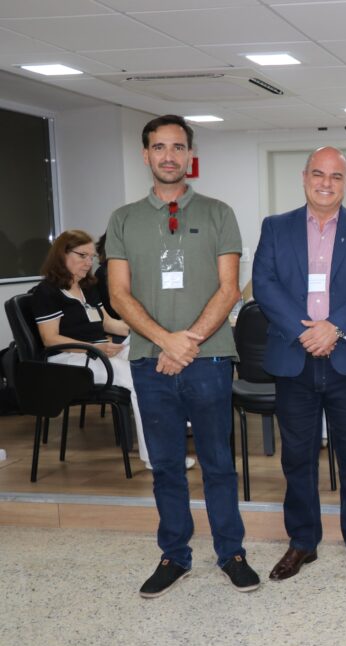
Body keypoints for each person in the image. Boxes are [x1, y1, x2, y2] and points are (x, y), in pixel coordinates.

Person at [106, 114, 259, 598]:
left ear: (190, 156)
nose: (169, 156)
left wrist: (185, 340)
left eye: (177, 147)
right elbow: (119, 295)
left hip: (209, 360)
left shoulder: (218, 213)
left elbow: (229, 288)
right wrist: (164, 341)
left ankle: (231, 553)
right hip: (150, 364)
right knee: (167, 466)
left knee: (217, 463)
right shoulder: (123, 219)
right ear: (146, 155)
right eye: (159, 147)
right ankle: (175, 554)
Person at [253, 146, 346, 582]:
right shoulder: (276, 227)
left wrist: (334, 328)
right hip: (294, 356)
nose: (326, 183)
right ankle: (302, 543)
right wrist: (305, 332)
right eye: (318, 174)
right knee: (298, 457)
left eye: (336, 176)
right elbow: (264, 283)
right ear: (304, 176)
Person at [31, 230, 197, 471]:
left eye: (92, 256)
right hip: (67, 360)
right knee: (139, 379)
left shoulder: (88, 287)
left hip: (100, 351)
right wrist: (93, 347)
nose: (89, 262)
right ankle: (158, 458)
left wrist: (146, 328)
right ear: (62, 254)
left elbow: (108, 322)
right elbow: (50, 339)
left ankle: (177, 426)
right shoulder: (46, 292)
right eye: (83, 256)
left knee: (151, 359)